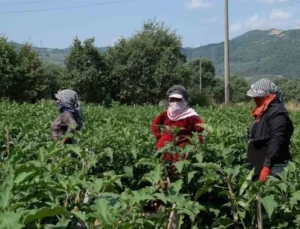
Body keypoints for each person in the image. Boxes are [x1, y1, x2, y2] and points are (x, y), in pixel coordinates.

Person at [145, 85, 205, 215]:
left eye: (178, 100)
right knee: (160, 179)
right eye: (172, 100)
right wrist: (159, 138)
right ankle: (157, 210)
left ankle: (177, 210)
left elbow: (202, 130)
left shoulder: (191, 116)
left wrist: (197, 145)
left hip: (180, 155)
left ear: (184, 101)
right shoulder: (166, 114)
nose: (174, 103)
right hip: (164, 152)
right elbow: (154, 124)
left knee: (177, 180)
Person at [246, 78, 294, 183]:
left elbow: (277, 140)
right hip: (259, 165)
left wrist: (267, 166)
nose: (255, 100)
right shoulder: (265, 111)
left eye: (258, 97)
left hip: (272, 167)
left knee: (270, 194)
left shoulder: (278, 113)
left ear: (267, 96)